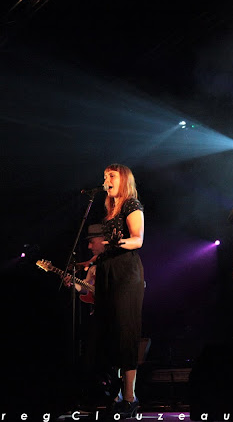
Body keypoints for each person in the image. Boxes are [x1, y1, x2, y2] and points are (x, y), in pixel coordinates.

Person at [93, 163, 145, 418]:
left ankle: (130, 396)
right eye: (104, 176)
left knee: (126, 332)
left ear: (123, 179)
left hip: (126, 272)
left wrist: (116, 242)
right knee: (110, 332)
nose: (106, 180)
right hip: (107, 270)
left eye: (111, 176)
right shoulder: (109, 211)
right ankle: (115, 391)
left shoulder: (131, 205)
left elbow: (138, 238)